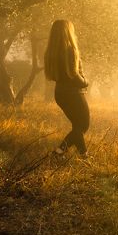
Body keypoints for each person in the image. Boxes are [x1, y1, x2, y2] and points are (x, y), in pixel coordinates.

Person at [44, 19, 90, 159]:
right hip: (73, 93)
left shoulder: (51, 52)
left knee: (77, 126)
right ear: (68, 32)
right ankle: (60, 152)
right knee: (83, 125)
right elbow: (74, 74)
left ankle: (82, 155)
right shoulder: (70, 49)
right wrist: (85, 82)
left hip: (60, 93)